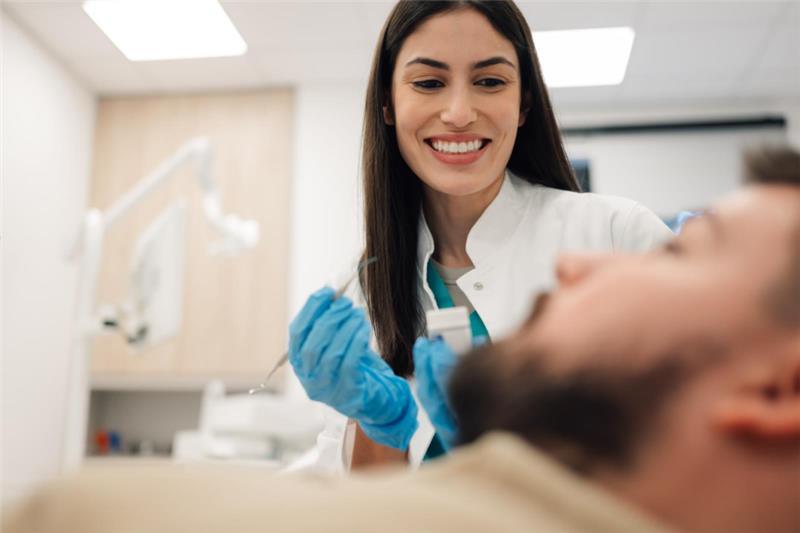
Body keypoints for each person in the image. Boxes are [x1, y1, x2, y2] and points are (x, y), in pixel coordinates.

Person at [6, 146, 799, 533]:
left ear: (777, 386)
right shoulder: (377, 265)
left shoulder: (608, 224)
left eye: (687, 252)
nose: (575, 269)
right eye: (426, 80)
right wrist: (396, 431)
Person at [288, 0, 672, 473]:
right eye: (429, 83)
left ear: (523, 102)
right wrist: (376, 421)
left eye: (489, 81)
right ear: (388, 104)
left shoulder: (616, 237)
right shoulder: (363, 288)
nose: (459, 113)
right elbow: (373, 507)